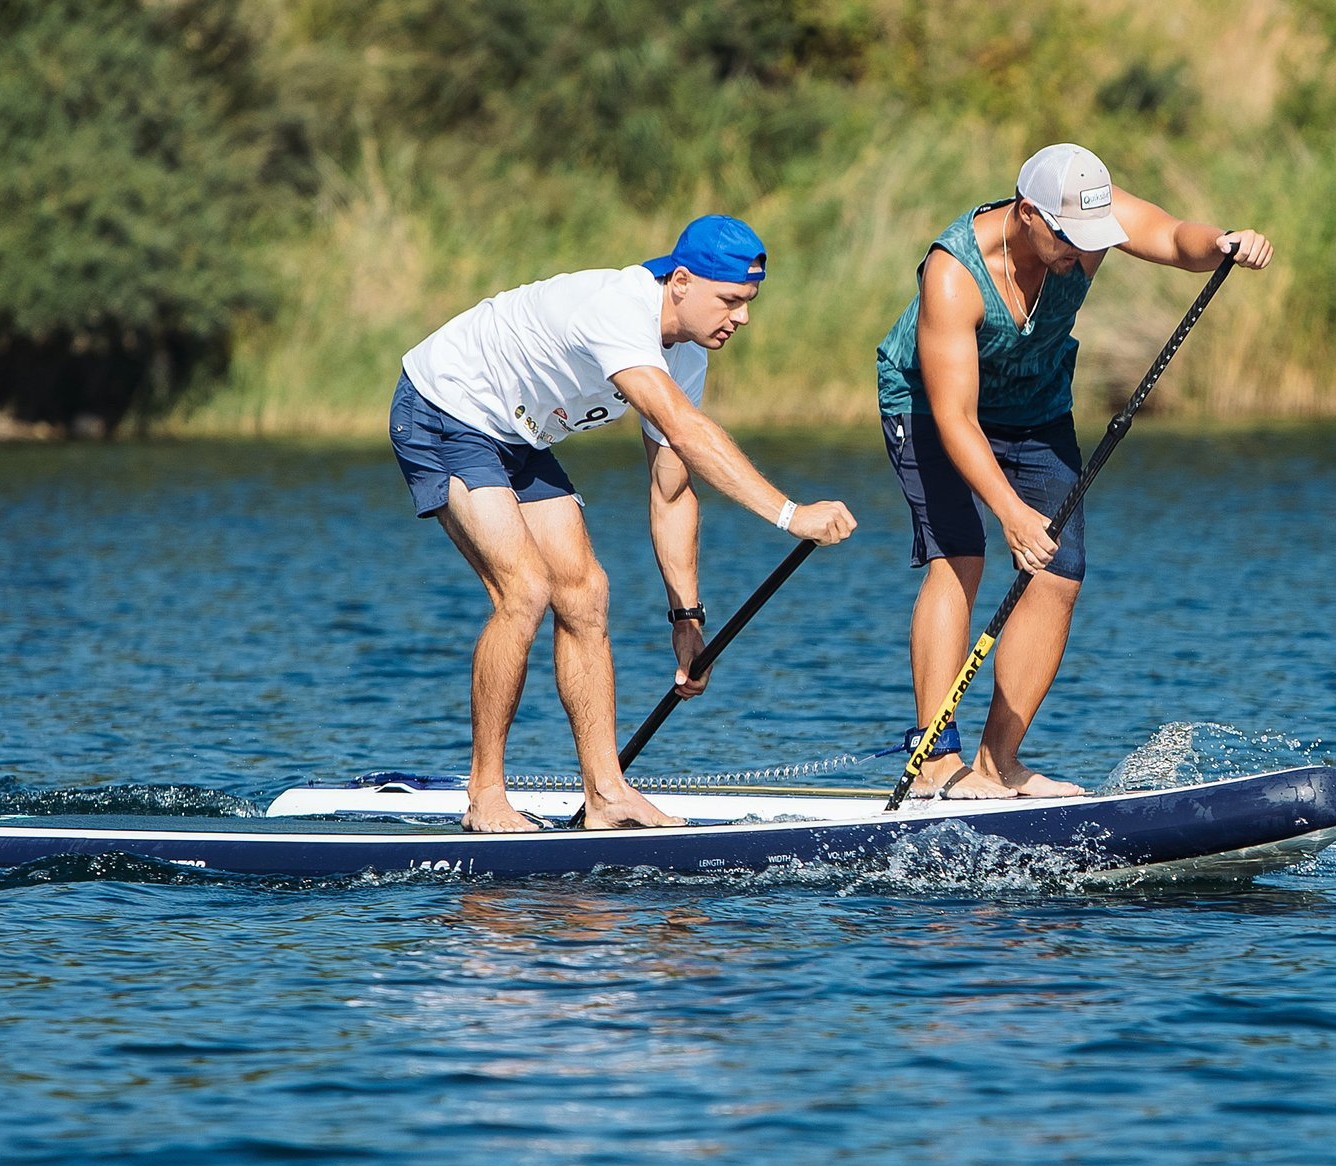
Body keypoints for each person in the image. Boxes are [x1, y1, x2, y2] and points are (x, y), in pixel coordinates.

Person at [392, 215, 859, 833]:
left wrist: (687, 618)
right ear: (682, 282)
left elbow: (670, 488)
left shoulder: (687, 353)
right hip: (445, 406)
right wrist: (790, 514)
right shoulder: (619, 310)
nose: (742, 318)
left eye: (749, 303)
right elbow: (690, 433)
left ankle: (607, 792)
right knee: (525, 590)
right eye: (730, 300)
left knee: (586, 595)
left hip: (517, 432)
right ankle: (486, 797)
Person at [875, 144, 1273, 798]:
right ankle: (934, 763)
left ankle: (997, 764)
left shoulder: (1091, 214)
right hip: (930, 407)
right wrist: (1009, 511)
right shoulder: (953, 273)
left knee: (1059, 572)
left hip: (1036, 404)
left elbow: (1175, 238)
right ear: (1028, 212)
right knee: (962, 554)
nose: (1083, 255)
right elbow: (956, 419)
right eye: (1069, 240)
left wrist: (1223, 242)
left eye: (1094, 240)